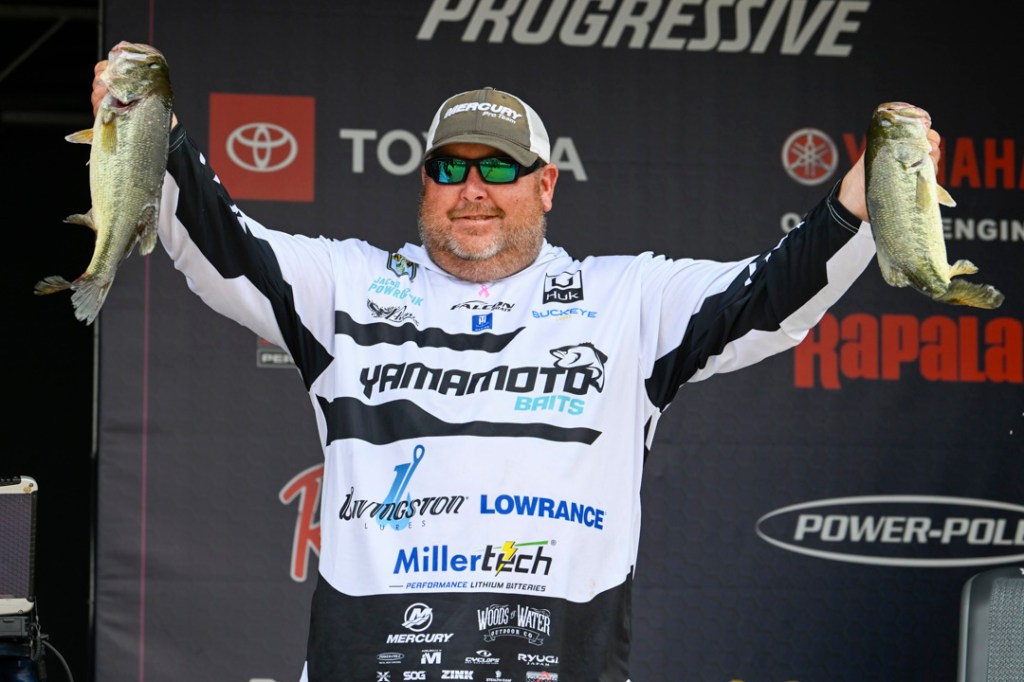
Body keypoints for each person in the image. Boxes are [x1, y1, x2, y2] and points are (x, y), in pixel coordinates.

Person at [91, 56, 939, 681]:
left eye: (498, 167)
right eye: (449, 168)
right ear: (425, 183)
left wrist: (860, 204)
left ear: (546, 185)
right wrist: (146, 125)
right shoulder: (346, 286)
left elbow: (774, 298)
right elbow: (220, 244)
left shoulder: (627, 301)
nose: (473, 188)